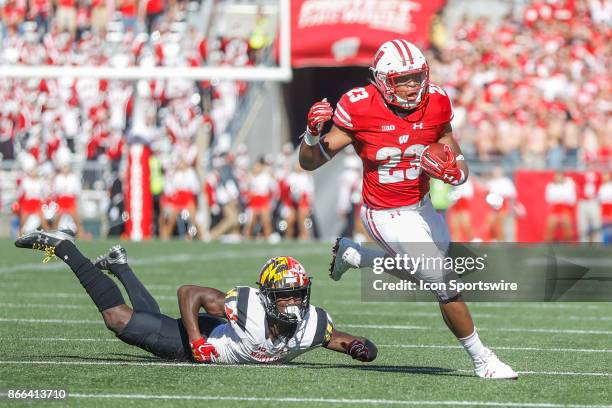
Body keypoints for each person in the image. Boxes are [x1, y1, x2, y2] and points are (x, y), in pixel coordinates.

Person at [298, 39, 517, 379]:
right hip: (384, 211)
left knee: (426, 273)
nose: (412, 85)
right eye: (403, 79)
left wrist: (458, 172)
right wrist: (312, 135)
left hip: (423, 206)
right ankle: (483, 359)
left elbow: (452, 150)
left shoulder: (437, 101)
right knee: (444, 281)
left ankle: (355, 256)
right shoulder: (359, 107)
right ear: (383, 80)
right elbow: (310, 162)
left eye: (416, 76)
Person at [15, 230, 377, 364]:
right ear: (267, 297)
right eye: (285, 297)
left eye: (298, 295)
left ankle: (120, 266)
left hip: (217, 334)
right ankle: (65, 247)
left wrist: (363, 348)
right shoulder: (248, 306)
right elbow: (190, 293)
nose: (294, 304)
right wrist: (197, 341)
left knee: (149, 324)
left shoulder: (310, 325)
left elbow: (344, 341)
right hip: (202, 339)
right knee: (119, 320)